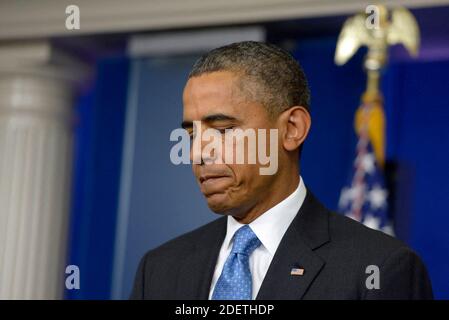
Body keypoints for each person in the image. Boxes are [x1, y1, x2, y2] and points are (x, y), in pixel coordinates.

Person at [130, 41, 433, 300]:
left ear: (292, 129)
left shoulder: (380, 268)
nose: (197, 153)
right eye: (192, 135)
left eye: (222, 130)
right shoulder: (159, 269)